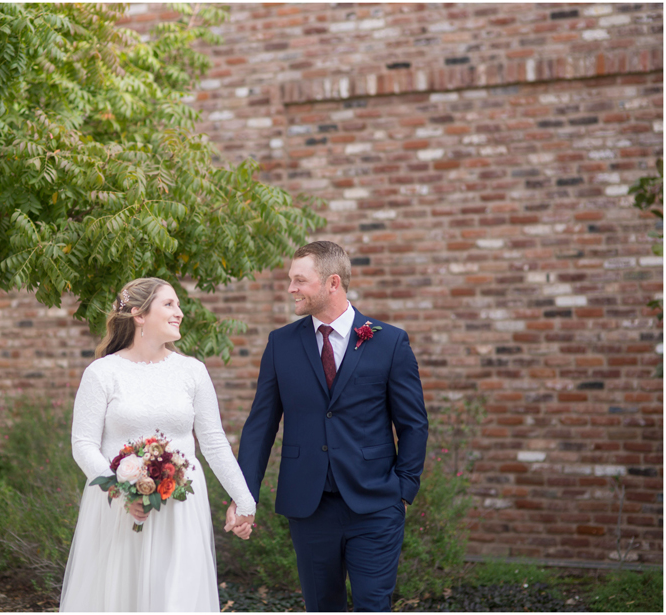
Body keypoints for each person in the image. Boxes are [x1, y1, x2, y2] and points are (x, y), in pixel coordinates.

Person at [227, 241, 428, 612]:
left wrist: (404, 488)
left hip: (376, 503)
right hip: (309, 506)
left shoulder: (389, 342)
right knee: (321, 607)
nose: (291, 288)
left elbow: (413, 424)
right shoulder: (280, 344)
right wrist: (244, 496)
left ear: (332, 283)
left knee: (373, 606)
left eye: (300, 280)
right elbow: (260, 427)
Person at [60, 277, 256, 612]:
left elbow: (213, 442)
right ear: (139, 315)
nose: (180, 312)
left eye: (178, 304)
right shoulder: (102, 373)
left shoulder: (192, 371)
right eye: (169, 304)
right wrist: (122, 491)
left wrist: (244, 501)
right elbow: (83, 444)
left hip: (181, 507)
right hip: (121, 508)